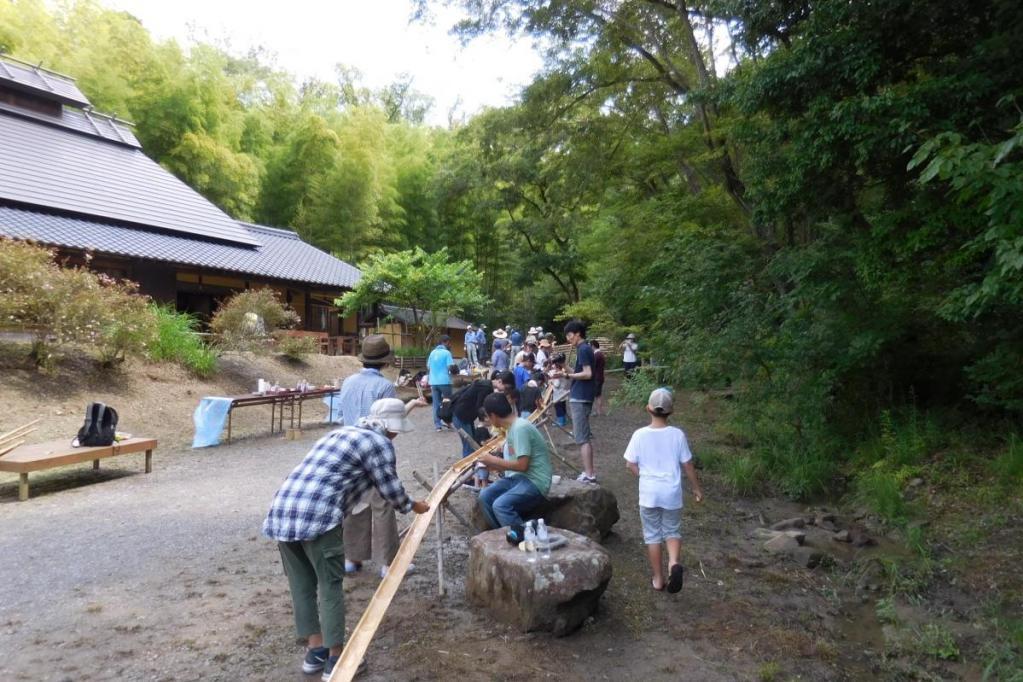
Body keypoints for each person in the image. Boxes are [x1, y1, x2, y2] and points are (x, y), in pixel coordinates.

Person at [262, 398, 430, 680]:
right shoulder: (379, 444)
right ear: (391, 428)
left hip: (283, 510)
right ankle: (336, 659)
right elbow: (390, 489)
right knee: (330, 586)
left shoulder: (340, 432)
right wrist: (414, 506)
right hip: (318, 516)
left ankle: (314, 653)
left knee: (302, 585)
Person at [339, 335, 426, 579]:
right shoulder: (385, 386)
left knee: (355, 503)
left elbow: (338, 415)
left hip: (349, 447)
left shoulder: (347, 382)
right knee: (384, 502)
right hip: (374, 448)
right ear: (386, 362)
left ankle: (351, 558)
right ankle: (389, 563)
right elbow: (389, 423)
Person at [624, 388, 704, 594]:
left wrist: (644, 476)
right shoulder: (677, 435)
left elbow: (630, 464)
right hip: (671, 493)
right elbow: (687, 465)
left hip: (649, 493)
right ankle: (673, 564)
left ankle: (658, 579)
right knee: (672, 530)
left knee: (652, 536)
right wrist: (696, 489)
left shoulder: (639, 435)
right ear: (671, 411)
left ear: (648, 409)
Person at [477, 393, 553, 530]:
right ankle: (503, 533)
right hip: (519, 478)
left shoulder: (520, 428)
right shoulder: (512, 428)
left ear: (493, 416)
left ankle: (523, 537)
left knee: (501, 505)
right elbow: (516, 465)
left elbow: (522, 466)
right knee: (484, 496)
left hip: (535, 482)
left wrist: (493, 459)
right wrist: (493, 465)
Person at [559, 320, 598, 482]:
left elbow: (587, 374)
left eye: (570, 335)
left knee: (582, 438)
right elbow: (578, 372)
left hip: (580, 397)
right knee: (582, 436)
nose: (568, 339)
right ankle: (588, 473)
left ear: (578, 334)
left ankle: (590, 475)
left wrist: (568, 376)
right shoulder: (585, 349)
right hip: (582, 395)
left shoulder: (583, 349)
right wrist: (563, 366)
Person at [450, 375, 497, 456]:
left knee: (471, 442)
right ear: (498, 381)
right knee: (469, 444)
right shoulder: (486, 388)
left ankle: (471, 463)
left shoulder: (484, 384)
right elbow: (480, 407)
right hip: (461, 415)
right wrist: (485, 420)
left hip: (464, 414)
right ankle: (468, 465)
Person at [427, 335, 454, 431]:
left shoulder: (432, 353)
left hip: (433, 382)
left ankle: (437, 425)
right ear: (445, 342)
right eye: (449, 343)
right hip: (444, 381)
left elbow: (428, 367)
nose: (449, 345)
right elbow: (450, 367)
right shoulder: (447, 353)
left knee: (436, 404)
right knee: (448, 402)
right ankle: (449, 423)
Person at [592, 339, 607, 416]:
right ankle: (599, 411)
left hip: (597, 377)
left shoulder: (596, 355)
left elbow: (593, 366)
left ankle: (598, 411)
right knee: (599, 394)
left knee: (596, 395)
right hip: (600, 376)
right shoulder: (601, 354)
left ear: (593, 346)